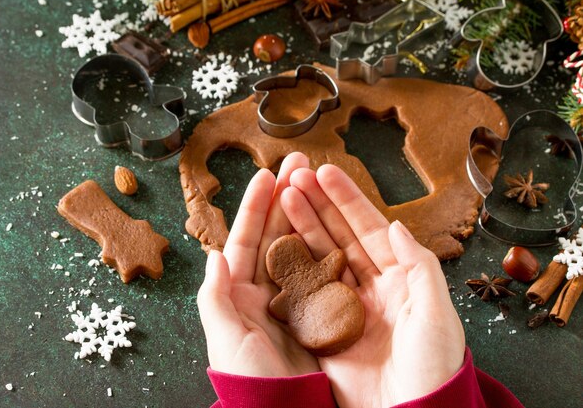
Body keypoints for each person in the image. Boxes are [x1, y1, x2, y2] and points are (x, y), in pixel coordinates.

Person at [197, 152, 525, 408]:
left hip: (328, 307)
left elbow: (284, 301)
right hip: (326, 306)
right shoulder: (314, 277)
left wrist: (266, 400)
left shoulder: (289, 297)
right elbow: (328, 265)